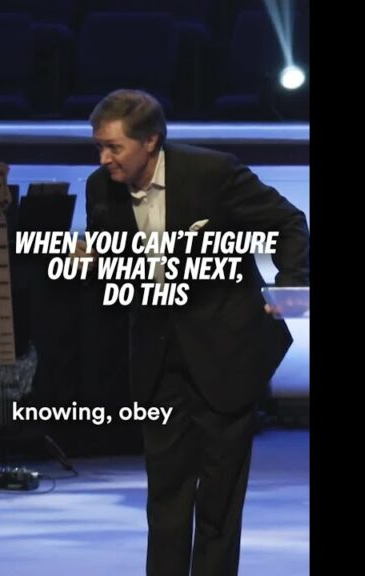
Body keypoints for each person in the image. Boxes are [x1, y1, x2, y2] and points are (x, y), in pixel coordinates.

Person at [75, 89, 309, 576]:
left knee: (220, 497)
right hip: (158, 358)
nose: (103, 159)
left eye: (114, 147)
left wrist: (291, 291)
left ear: (150, 141)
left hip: (226, 349)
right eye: (99, 146)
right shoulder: (101, 188)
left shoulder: (213, 173)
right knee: (165, 492)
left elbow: (289, 221)